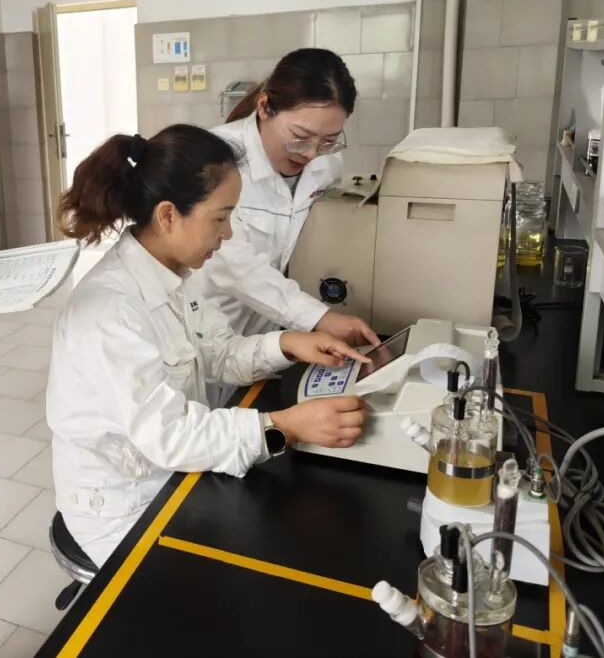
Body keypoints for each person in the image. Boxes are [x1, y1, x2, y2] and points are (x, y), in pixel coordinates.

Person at [47, 125, 370, 567]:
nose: (229, 234)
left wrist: (289, 344)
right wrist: (285, 426)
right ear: (168, 215)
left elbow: (218, 353)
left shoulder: (174, 273)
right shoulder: (110, 315)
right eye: (220, 218)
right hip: (123, 507)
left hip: (170, 477)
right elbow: (170, 435)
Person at [201, 49, 380, 356]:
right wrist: (317, 317)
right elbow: (230, 262)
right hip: (210, 328)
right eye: (300, 136)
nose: (310, 153)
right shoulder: (215, 158)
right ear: (264, 107)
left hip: (269, 336)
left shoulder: (326, 165)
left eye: (328, 140)